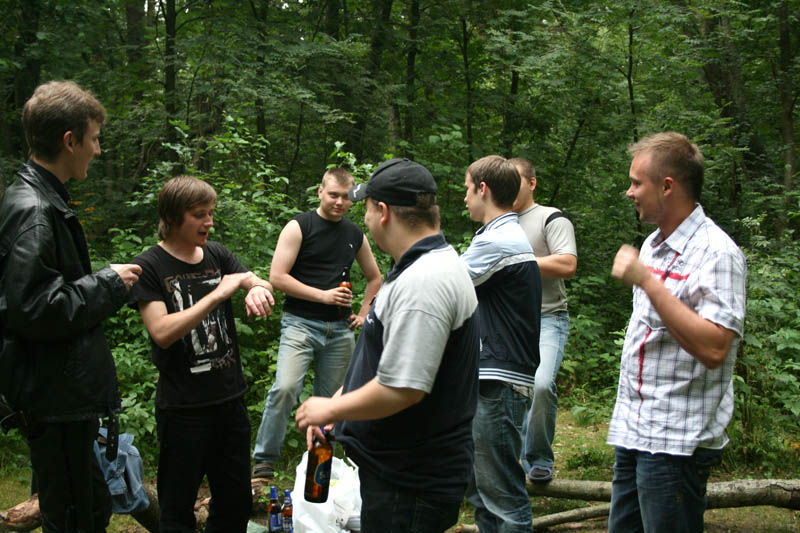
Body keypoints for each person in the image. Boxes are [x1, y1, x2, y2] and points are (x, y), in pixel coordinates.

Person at [295, 158, 480, 533]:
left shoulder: (424, 283)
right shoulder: (420, 265)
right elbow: (385, 360)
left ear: (382, 211)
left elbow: (404, 388)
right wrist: (341, 407)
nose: (363, 219)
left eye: (364, 208)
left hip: (410, 482)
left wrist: (330, 406)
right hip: (400, 472)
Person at [0, 80, 141, 532]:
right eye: (94, 139)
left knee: (85, 506)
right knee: (77, 514)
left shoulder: (38, 198)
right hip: (53, 397)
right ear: (69, 141)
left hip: (56, 394)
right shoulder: (36, 211)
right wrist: (108, 284)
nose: (98, 150)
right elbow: (34, 307)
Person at [607, 132, 747, 532]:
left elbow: (716, 348)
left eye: (636, 183)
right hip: (635, 430)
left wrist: (648, 282)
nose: (629, 192)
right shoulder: (654, 244)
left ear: (667, 186)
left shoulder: (717, 253)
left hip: (676, 443)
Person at [129, 175, 274, 533]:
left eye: (210, 213)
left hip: (230, 402)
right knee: (177, 509)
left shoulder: (217, 254)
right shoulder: (150, 266)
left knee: (235, 504)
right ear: (173, 217)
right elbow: (162, 332)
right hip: (183, 410)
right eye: (199, 215)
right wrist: (217, 294)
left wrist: (257, 288)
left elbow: (255, 279)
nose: (209, 222)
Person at [252, 168, 381, 481]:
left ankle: (318, 473)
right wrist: (323, 296)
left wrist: (364, 312)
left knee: (330, 404)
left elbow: (375, 277)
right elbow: (277, 277)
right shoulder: (300, 226)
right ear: (321, 192)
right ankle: (263, 464)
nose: (339, 202)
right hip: (300, 323)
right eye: (333, 195)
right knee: (285, 388)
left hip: (339, 330)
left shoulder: (354, 234)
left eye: (346, 197)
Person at [461, 155, 542, 533]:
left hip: (499, 379)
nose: (464, 198)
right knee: (482, 492)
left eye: (467, 189)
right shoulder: (498, 235)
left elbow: (442, 284)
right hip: (494, 375)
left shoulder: (497, 240)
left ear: (483, 189)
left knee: (503, 498)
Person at [510, 158, 578, 483]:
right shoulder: (496, 223)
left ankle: (538, 459)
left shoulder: (551, 217)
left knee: (539, 385)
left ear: (532, 183)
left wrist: (519, 261)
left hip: (548, 319)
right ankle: (504, 460)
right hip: (509, 323)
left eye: (516, 180)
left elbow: (567, 264)